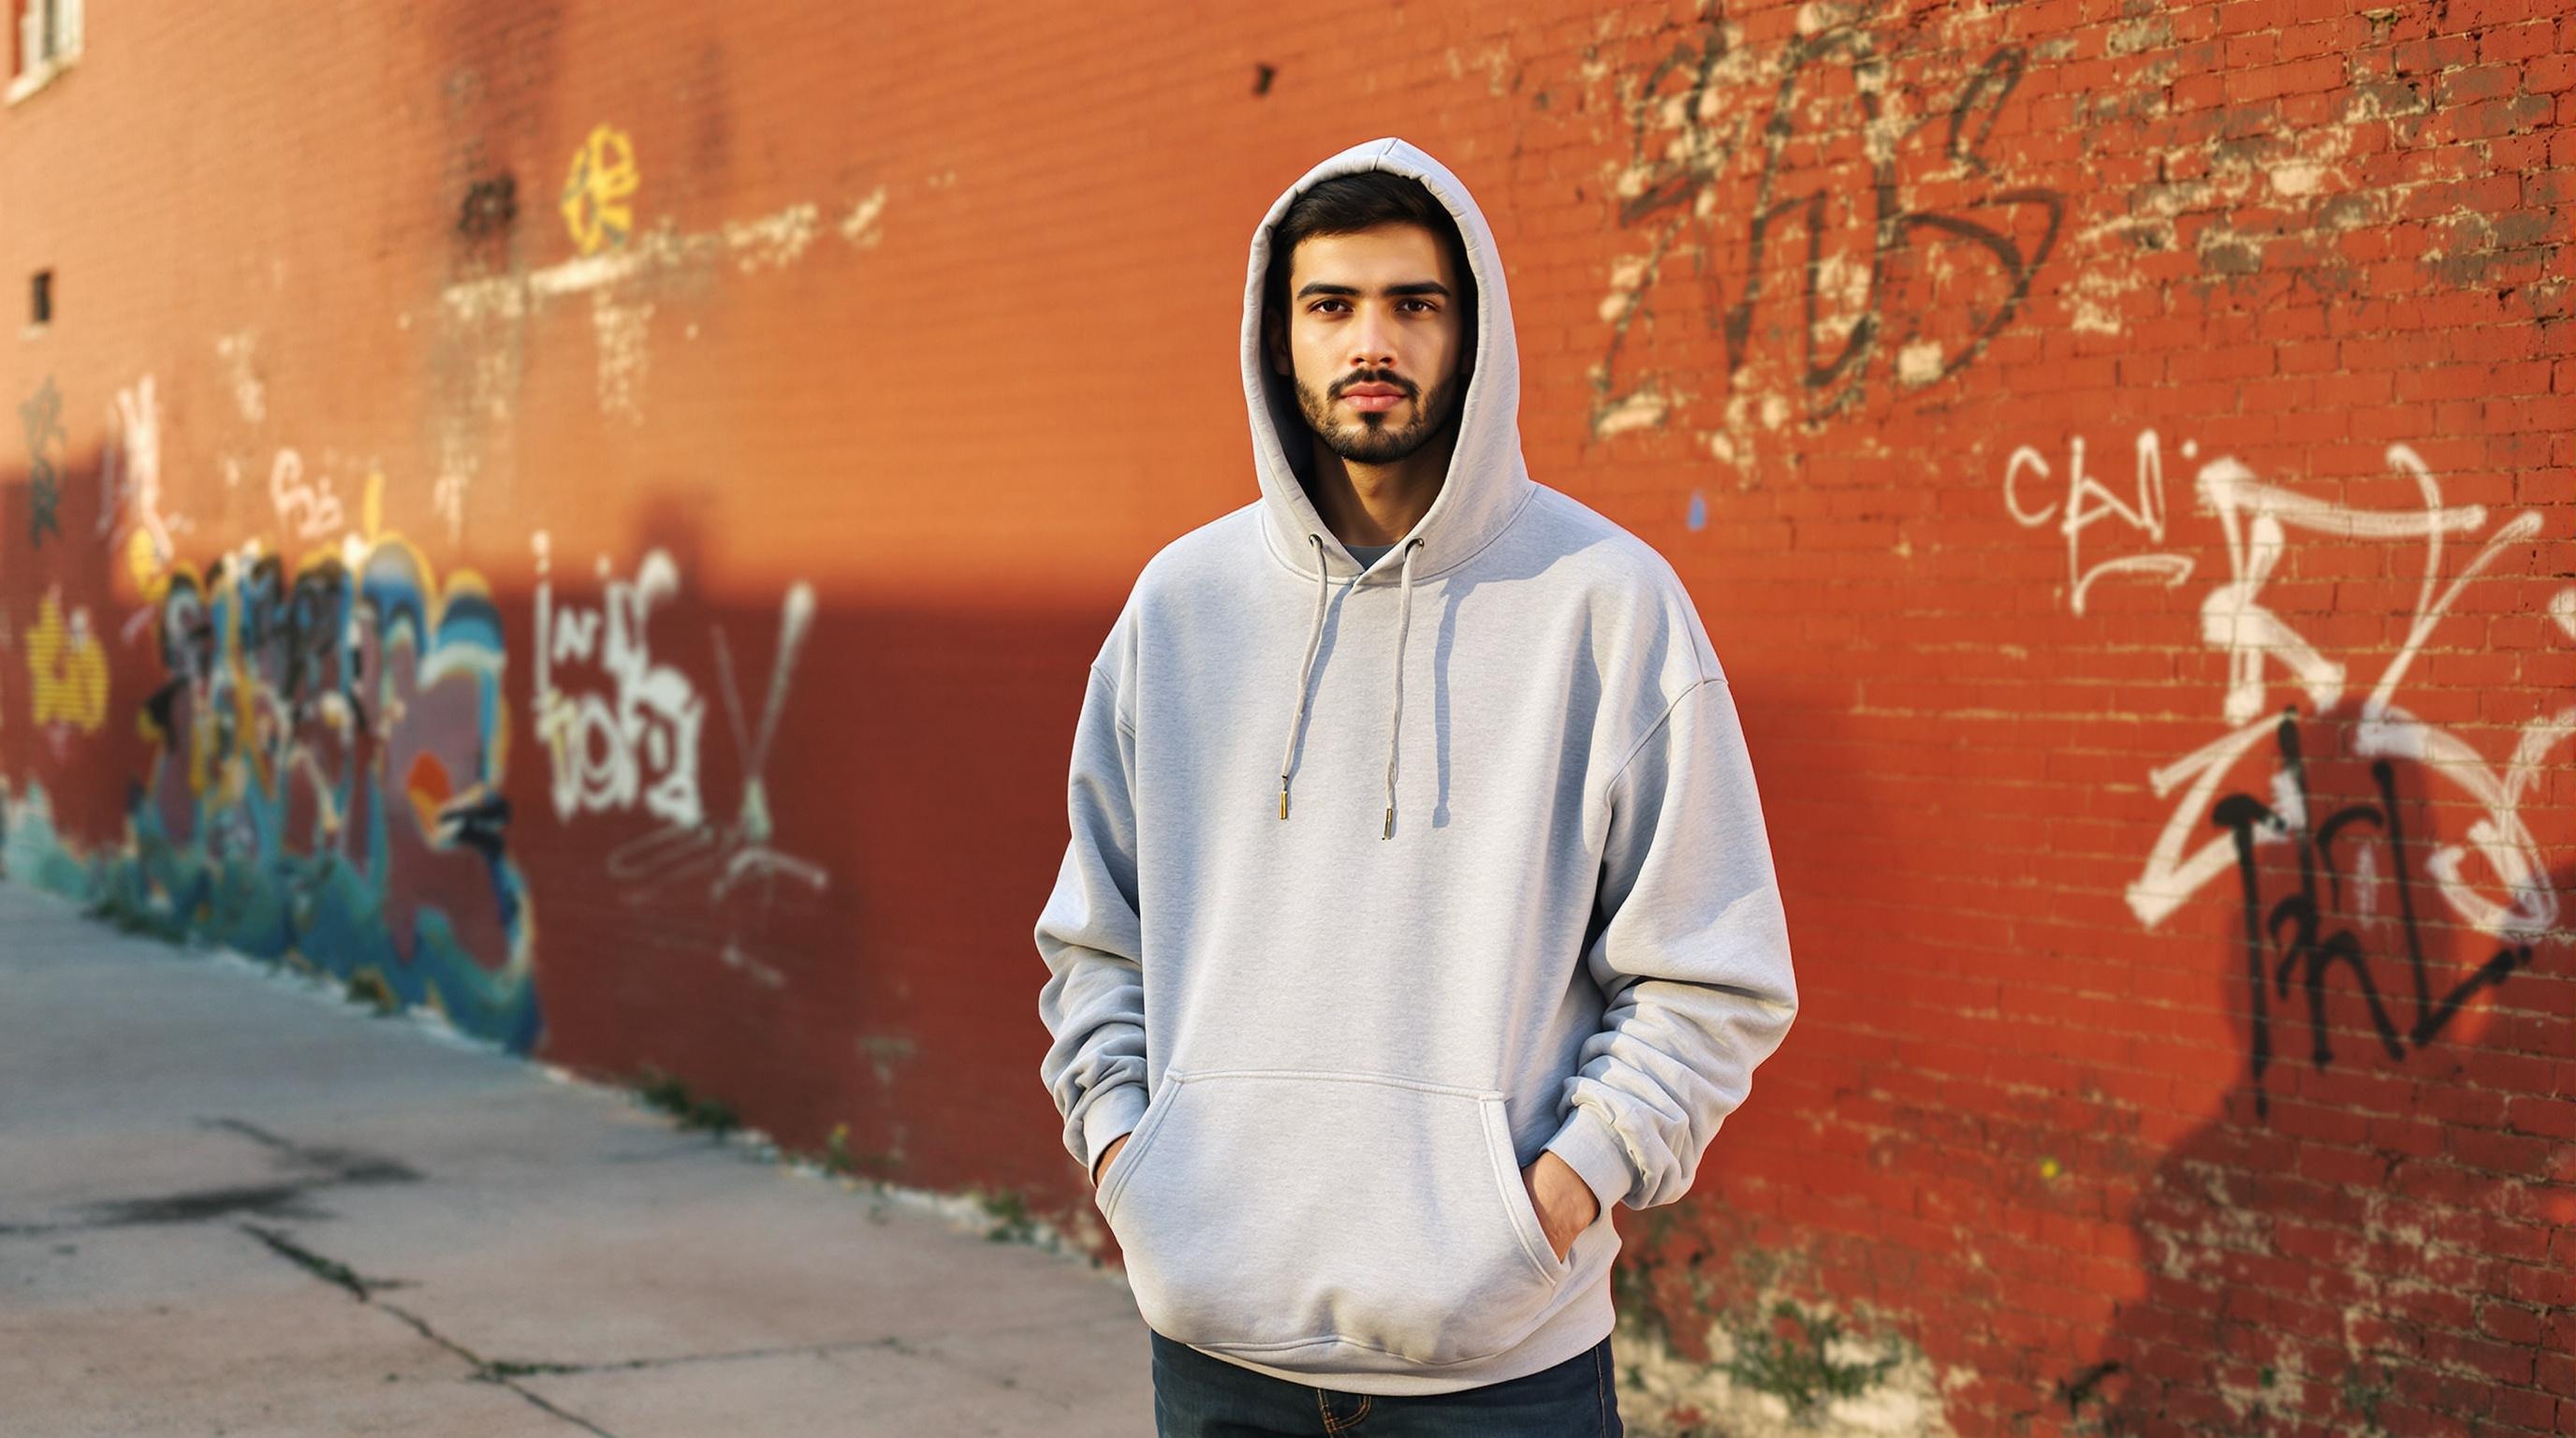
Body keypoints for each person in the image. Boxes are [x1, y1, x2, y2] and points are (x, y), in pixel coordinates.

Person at [1034, 136, 1799, 1437]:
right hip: (1221, 1350)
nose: (1369, 341)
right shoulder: (1183, 610)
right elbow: (1101, 942)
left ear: (1473, 333)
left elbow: (1711, 970)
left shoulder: (1603, 606)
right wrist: (1129, 1166)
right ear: (1280, 341)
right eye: (1330, 307)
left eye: (1412, 304)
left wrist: (1552, 1201)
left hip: (1503, 1367)